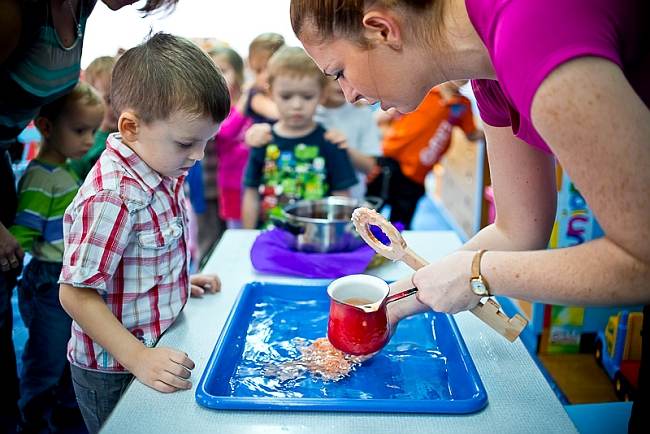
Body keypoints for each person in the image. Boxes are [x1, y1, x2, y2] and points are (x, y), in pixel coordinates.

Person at [290, 0, 650, 431]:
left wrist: (476, 272)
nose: (349, 96)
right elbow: (519, 231)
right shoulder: (489, 74)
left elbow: (642, 262)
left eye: (339, 73)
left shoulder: (532, 29)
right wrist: (381, 308)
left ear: (382, 29)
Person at [0, 3, 178, 429]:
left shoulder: (80, 10)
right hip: (46, 279)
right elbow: (69, 286)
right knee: (39, 360)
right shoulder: (107, 191)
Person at [57, 33, 230, 433]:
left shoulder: (162, 163)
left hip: (156, 340)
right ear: (131, 127)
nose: (199, 155)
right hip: (114, 369)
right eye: (188, 142)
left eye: (207, 142)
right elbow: (75, 293)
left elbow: (142, 255)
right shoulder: (114, 197)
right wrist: (137, 357)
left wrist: (179, 278)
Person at [9, 81, 103, 432]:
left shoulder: (63, 170)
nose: (87, 140)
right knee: (45, 358)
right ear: (46, 127)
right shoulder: (40, 177)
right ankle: (32, 419)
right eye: (79, 130)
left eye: (92, 131)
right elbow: (24, 229)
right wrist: (15, 262)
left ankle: (64, 413)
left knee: (67, 351)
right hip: (48, 277)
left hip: (64, 273)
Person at [241, 46, 358, 229]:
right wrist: (247, 236)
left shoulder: (330, 142)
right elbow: (251, 193)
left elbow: (341, 198)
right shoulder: (262, 140)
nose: (297, 105)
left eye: (307, 96)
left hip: (316, 239)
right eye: (286, 96)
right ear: (271, 93)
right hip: (270, 238)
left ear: (322, 94)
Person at [366, 82, 480, 228]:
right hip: (391, 161)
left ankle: (394, 247)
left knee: (400, 224)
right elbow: (385, 114)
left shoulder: (463, 105)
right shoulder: (424, 90)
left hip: (416, 174)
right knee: (370, 212)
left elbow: (471, 134)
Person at [315, 78, 381, 200]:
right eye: (336, 78)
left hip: (351, 201)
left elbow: (369, 167)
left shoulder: (362, 114)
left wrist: (344, 148)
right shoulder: (309, 112)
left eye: (351, 78)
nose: (343, 85)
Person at [211, 46, 252, 229]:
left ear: (238, 72)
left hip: (254, 179)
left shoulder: (251, 103)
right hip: (231, 182)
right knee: (236, 230)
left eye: (223, 71)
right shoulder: (216, 107)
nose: (218, 78)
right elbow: (225, 133)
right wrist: (246, 100)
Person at [69, 55, 118, 179]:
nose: (116, 107)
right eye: (109, 100)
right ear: (92, 99)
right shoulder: (85, 142)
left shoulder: (130, 137)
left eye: (121, 100)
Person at [243, 32, 285, 124]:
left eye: (270, 67)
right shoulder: (255, 95)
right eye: (258, 71)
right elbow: (281, 113)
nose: (265, 75)